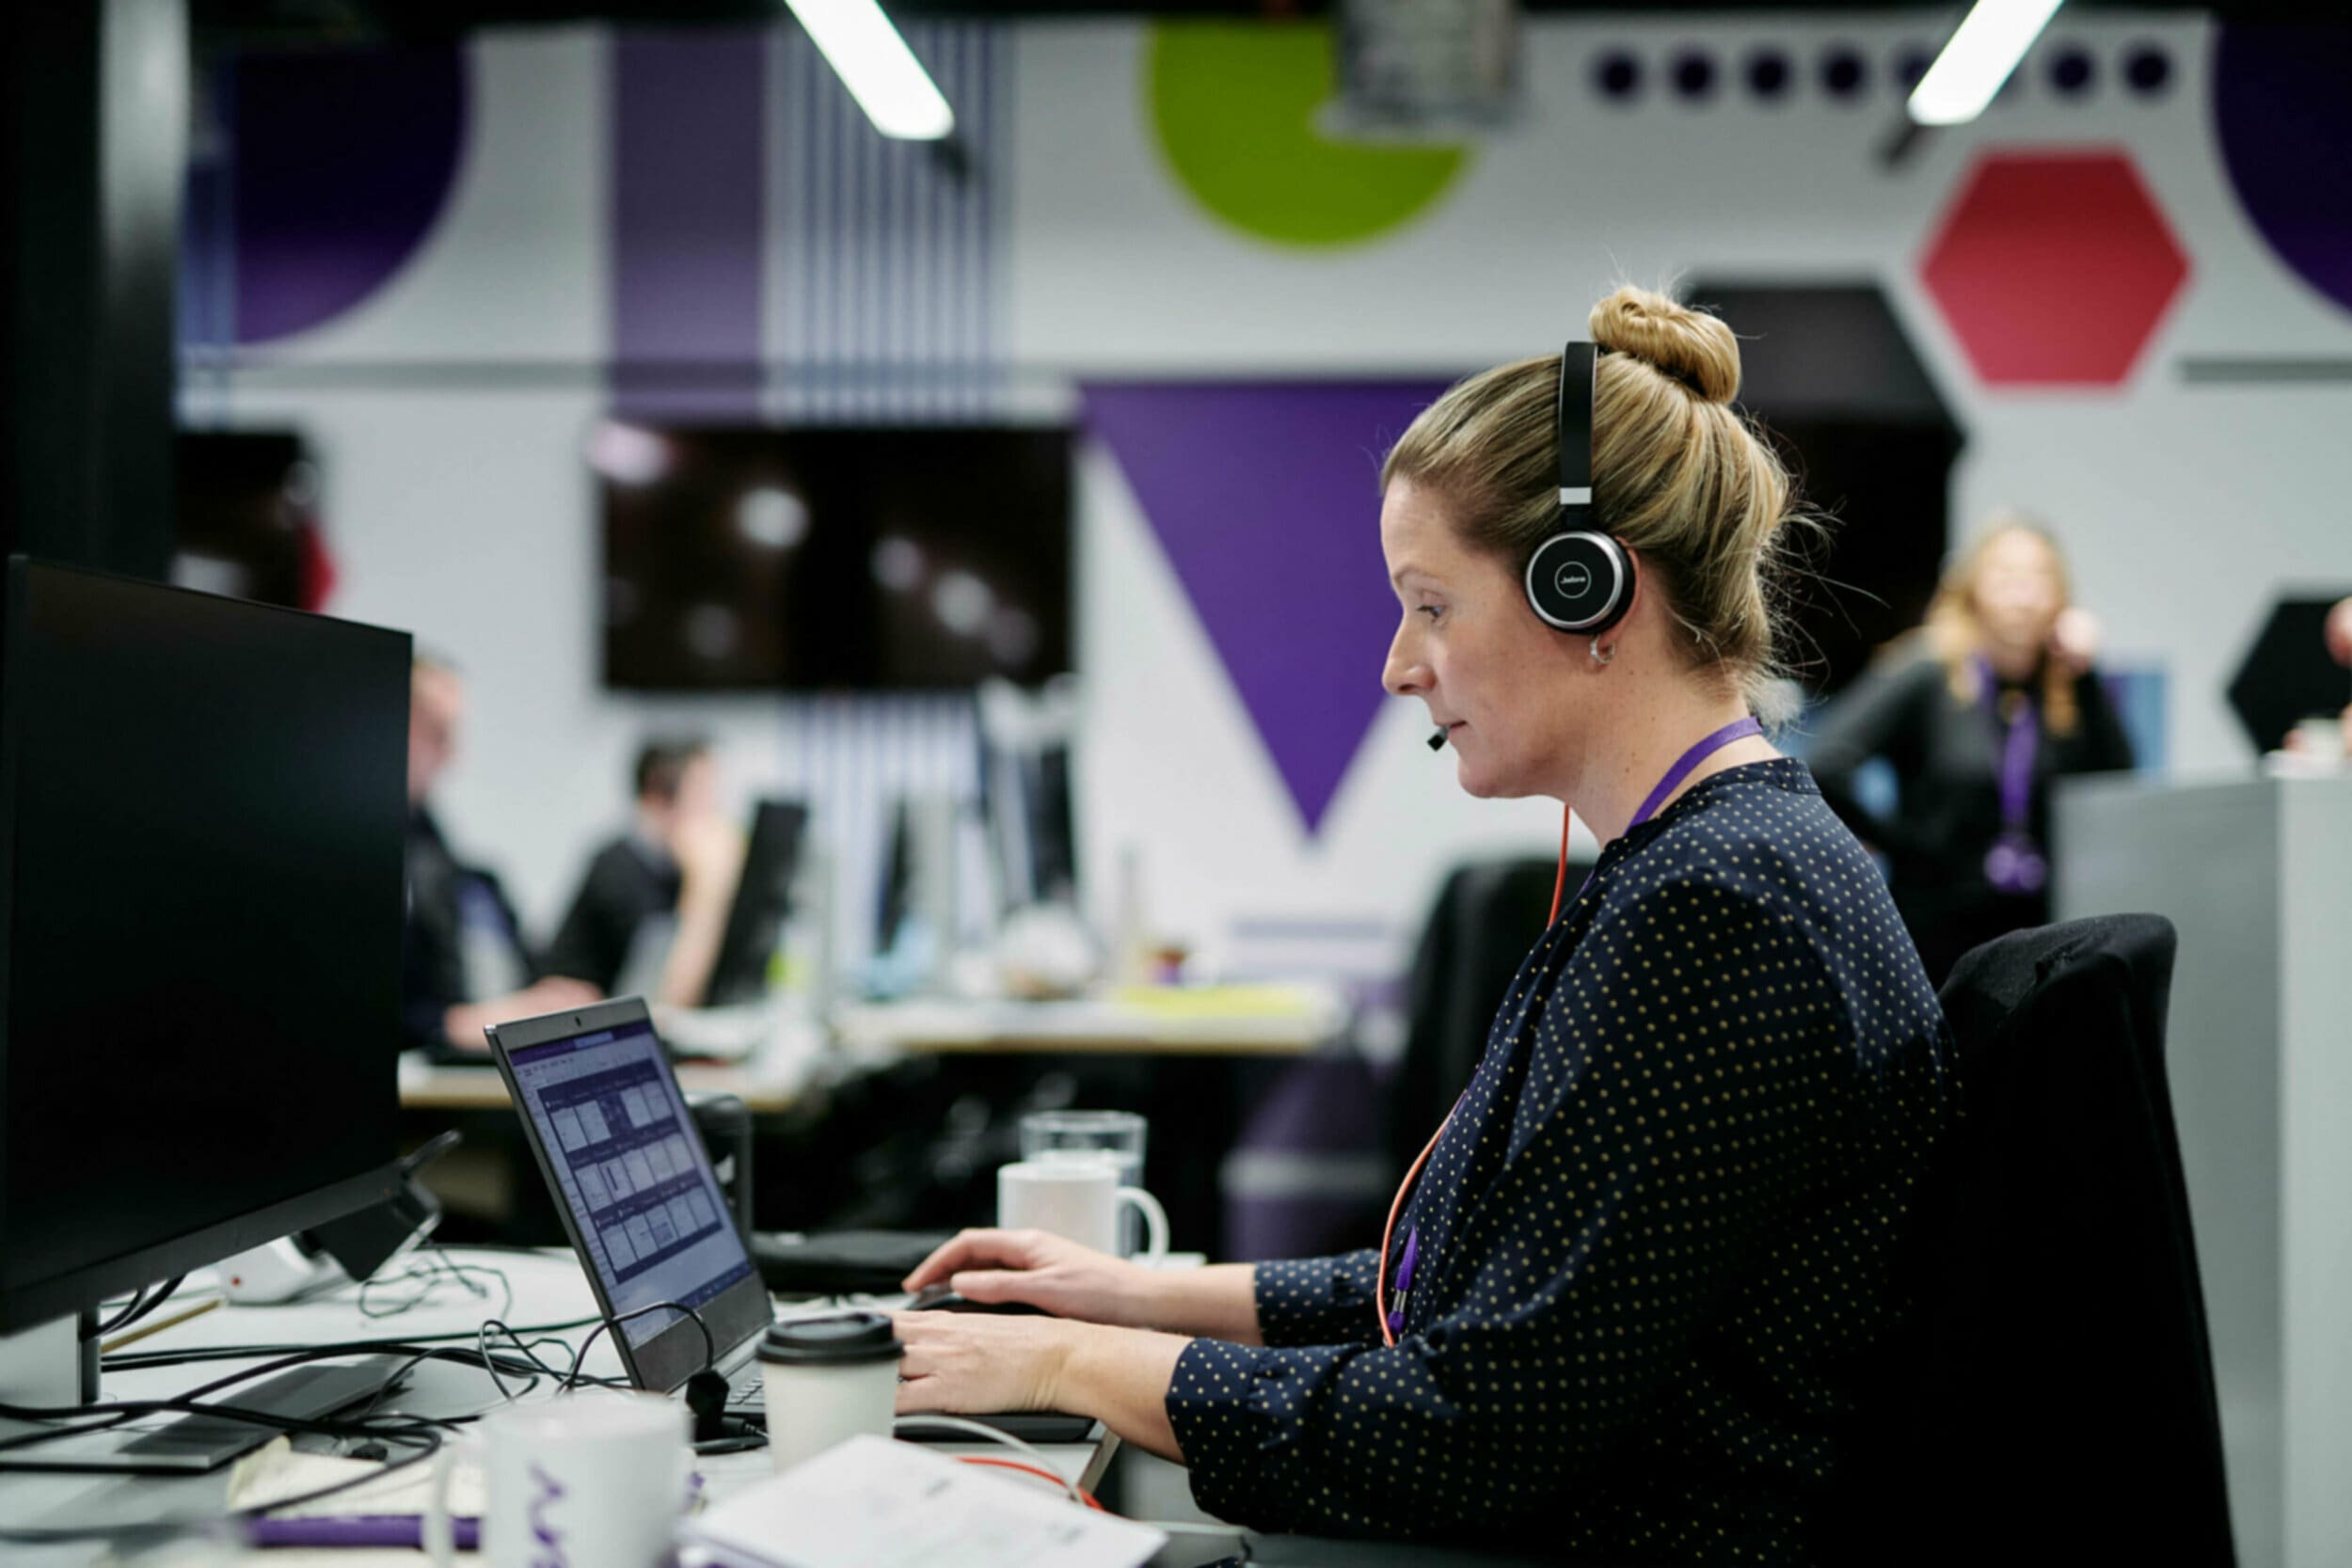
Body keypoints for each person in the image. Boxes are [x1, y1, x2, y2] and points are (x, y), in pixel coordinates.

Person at [887, 288, 1958, 1565]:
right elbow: (1476, 1293)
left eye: (1433, 604)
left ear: (1586, 589)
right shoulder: (1699, 866)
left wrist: (1068, 1358)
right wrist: (1134, 1291)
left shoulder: (1725, 906)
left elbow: (1472, 1422)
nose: (1401, 663)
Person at [1804, 516, 2136, 985]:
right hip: (1935, 938)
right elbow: (1825, 763)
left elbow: (2119, 783)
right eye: (2006, 576)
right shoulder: (1928, 669)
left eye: (2039, 578)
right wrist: (1905, 844)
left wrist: (2087, 676)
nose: (2023, 595)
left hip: (2043, 935)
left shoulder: (2066, 685)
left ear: (2060, 594)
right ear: (1974, 586)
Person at [400, 656, 597, 1053]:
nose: (451, 753)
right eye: (437, 732)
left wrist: (536, 1002)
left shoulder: (434, 842)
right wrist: (454, 1025)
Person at [544, 736, 743, 1007]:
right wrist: (707, 887)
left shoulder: (670, 867)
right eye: (703, 795)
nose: (714, 811)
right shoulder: (616, 871)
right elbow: (668, 999)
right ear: (657, 796)